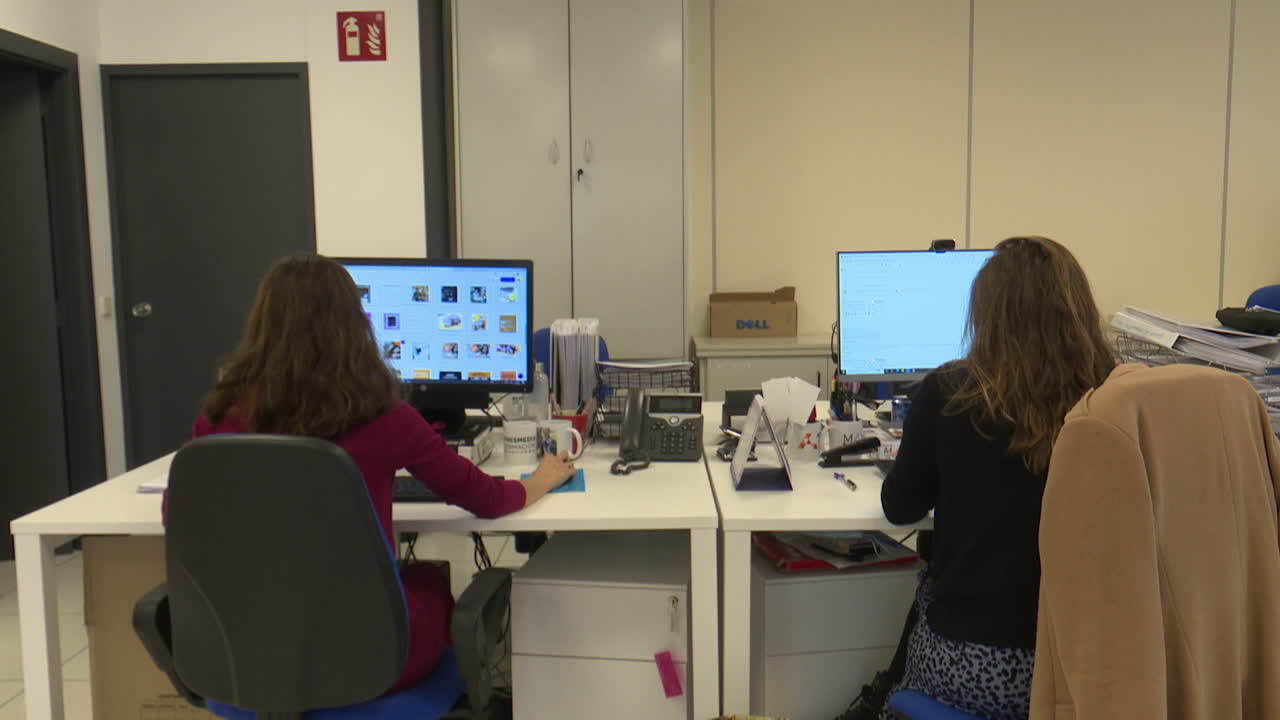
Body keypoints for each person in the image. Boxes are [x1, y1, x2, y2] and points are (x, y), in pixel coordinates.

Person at [190, 253, 576, 695]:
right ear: (353, 326)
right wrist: (540, 479)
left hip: (244, 650)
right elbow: (485, 498)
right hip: (367, 655)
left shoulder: (221, 415)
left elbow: (179, 512)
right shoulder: (384, 416)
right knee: (430, 581)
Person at [835, 236, 1115, 720]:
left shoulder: (949, 392)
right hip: (1081, 668)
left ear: (986, 313)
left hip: (971, 666)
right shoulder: (1113, 396)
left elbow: (900, 508)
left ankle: (876, 705)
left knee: (930, 583)